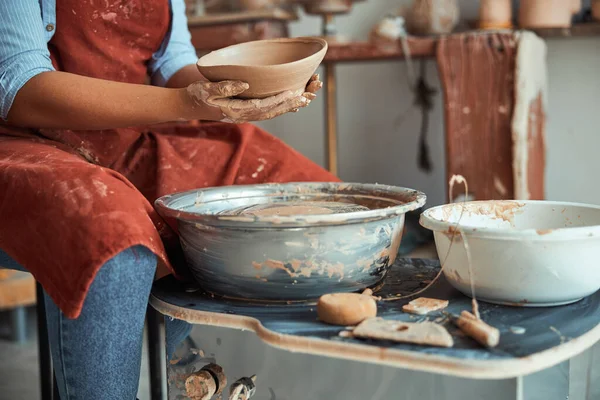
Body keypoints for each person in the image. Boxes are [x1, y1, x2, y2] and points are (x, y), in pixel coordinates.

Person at [0, 0, 338, 398]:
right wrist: (186, 104)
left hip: (124, 137)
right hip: (22, 143)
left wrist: (247, 91)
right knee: (114, 235)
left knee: (306, 199)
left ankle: (183, 358)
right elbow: (20, 87)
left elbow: (172, 63)